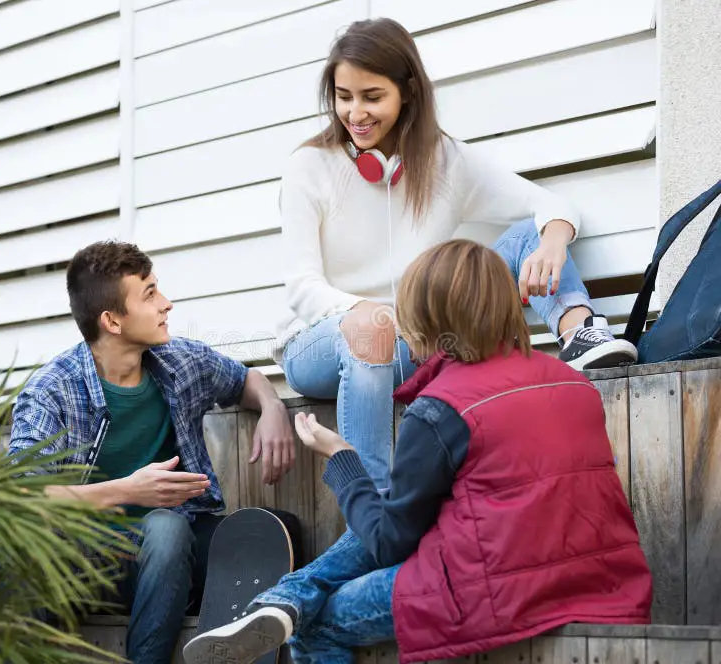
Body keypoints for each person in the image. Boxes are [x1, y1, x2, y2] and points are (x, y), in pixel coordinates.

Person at [182, 239, 652, 664]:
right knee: (390, 523)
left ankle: (290, 601)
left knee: (317, 624)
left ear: (427, 318)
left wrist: (343, 459)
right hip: (606, 581)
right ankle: (287, 597)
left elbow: (389, 541)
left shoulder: (441, 409)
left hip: (491, 594)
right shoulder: (574, 382)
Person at [273, 17, 638, 489]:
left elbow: (547, 204)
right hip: (320, 344)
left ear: (407, 92)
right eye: (344, 97)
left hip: (413, 342)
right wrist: (375, 316)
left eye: (372, 97)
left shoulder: (445, 161)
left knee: (531, 231)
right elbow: (302, 287)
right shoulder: (308, 167)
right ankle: (374, 507)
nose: (355, 112)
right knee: (372, 329)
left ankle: (579, 333)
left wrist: (552, 241)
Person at [8, 240, 295, 664]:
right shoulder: (53, 390)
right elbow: (21, 498)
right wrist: (128, 490)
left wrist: (272, 407)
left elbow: (242, 380)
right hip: (87, 566)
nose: (167, 304)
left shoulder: (177, 361)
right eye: (149, 294)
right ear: (113, 320)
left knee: (270, 528)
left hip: (174, 561)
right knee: (163, 527)